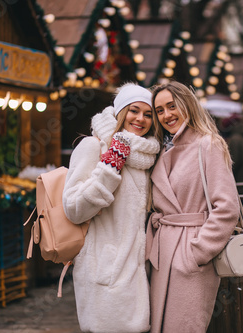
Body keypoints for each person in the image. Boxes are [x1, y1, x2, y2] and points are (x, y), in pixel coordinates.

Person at [62, 83, 160, 332]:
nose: (140, 119)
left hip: (139, 273)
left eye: (148, 114)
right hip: (104, 271)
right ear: (120, 111)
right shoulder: (94, 146)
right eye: (133, 110)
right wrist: (110, 168)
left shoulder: (147, 159)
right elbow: (74, 208)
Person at [146, 81, 239, 332]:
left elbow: (227, 207)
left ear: (187, 104)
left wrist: (196, 253)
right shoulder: (163, 149)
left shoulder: (208, 144)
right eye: (159, 110)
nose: (166, 115)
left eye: (172, 106)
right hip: (163, 254)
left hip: (191, 253)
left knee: (186, 326)